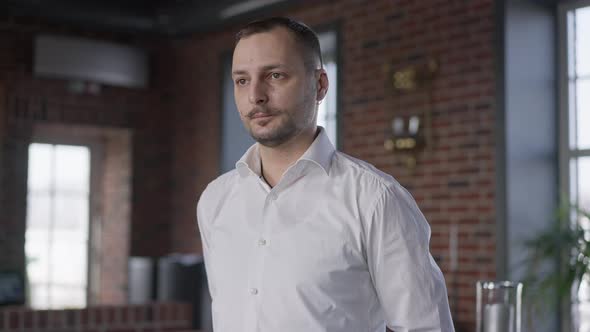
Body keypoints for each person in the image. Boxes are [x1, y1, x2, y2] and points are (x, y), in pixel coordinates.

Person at [196, 16, 455, 332]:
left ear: (319, 85)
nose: (256, 96)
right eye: (242, 80)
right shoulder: (215, 200)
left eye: (275, 75)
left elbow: (426, 327)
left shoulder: (374, 199)